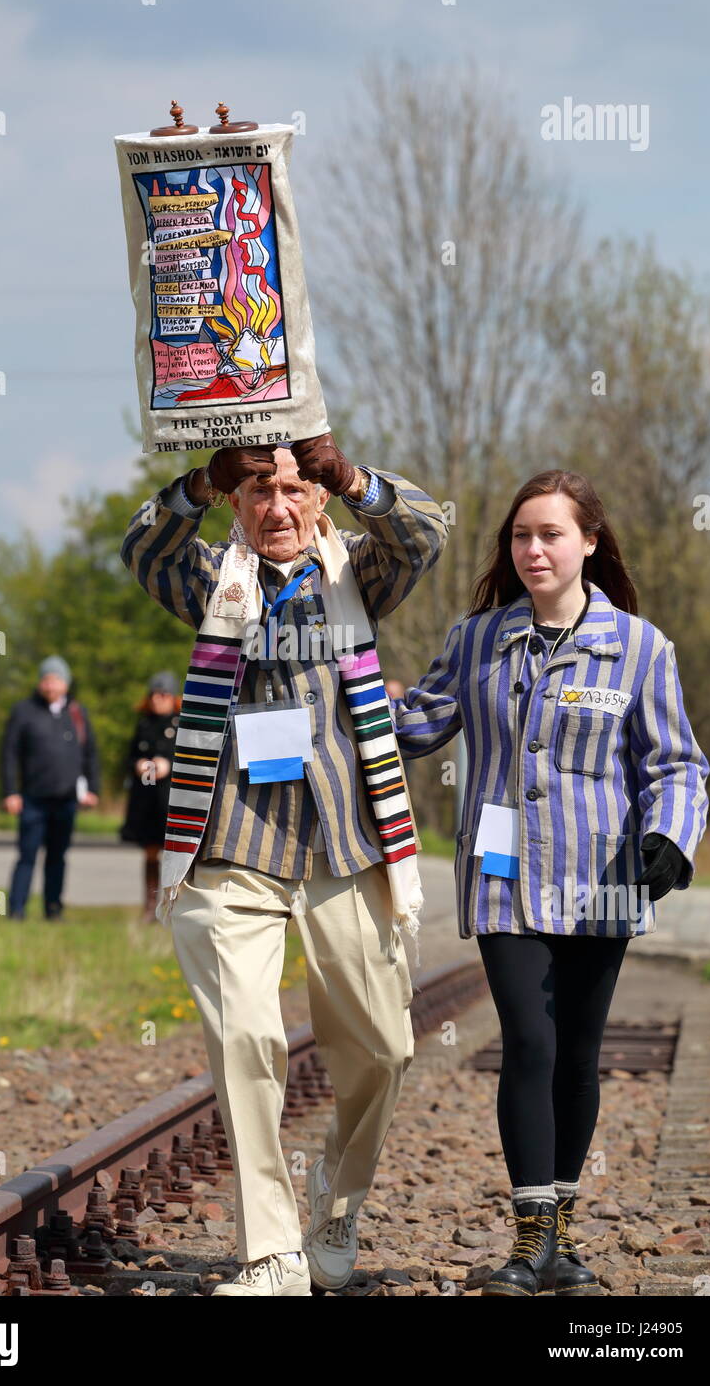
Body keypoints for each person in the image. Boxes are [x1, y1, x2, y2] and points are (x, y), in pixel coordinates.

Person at [120, 433, 447, 1295]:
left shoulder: (355, 577)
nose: (278, 508)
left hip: (346, 840)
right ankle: (271, 1251)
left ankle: (335, 1208)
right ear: (238, 502)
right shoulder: (208, 580)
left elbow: (424, 534)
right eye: (258, 491)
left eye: (297, 490)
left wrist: (352, 475)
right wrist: (198, 481)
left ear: (322, 502)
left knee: (381, 1046)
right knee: (246, 1036)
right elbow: (141, 547)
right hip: (233, 843)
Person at [389, 469, 709, 1297]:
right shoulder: (476, 640)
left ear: (589, 543)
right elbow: (416, 726)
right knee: (528, 1042)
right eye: (521, 536)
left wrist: (670, 838)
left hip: (602, 877)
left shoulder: (640, 647)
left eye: (551, 535)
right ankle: (531, 1241)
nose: (533, 549)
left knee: (578, 1054)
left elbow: (674, 764)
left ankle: (561, 1240)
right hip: (503, 875)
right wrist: (342, 692)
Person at [0, 655, 100, 921]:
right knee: (27, 856)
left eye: (56, 680)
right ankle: (16, 911)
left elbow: (90, 753)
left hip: (66, 799)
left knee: (57, 857)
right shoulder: (24, 711)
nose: (50, 685)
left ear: (66, 683)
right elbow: (9, 754)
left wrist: (92, 788)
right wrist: (10, 792)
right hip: (32, 799)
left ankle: (53, 910)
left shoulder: (77, 713)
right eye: (46, 679)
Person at [119, 672, 181, 918]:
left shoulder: (181, 723)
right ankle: (150, 906)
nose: (157, 699)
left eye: (163, 694)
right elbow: (130, 756)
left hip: (171, 797)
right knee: (150, 851)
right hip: (146, 797)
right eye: (153, 694)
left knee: (176, 853)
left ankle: (174, 905)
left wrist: (168, 765)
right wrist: (138, 765)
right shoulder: (143, 723)